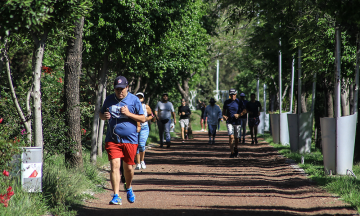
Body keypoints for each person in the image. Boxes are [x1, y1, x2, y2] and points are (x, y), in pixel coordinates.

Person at [99, 76, 145, 205]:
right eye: (117, 89)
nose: (119, 92)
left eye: (122, 89)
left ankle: (129, 187)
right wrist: (104, 116)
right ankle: (116, 195)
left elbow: (142, 119)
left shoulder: (134, 100)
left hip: (130, 140)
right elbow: (101, 114)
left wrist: (129, 114)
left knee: (129, 168)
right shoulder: (109, 100)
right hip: (112, 139)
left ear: (127, 88)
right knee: (115, 166)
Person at [222, 88, 246, 158]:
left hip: (237, 122)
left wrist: (239, 115)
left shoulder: (239, 102)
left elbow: (245, 110)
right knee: (231, 136)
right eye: (231, 95)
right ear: (229, 95)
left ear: (236, 94)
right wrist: (224, 116)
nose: (232, 96)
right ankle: (232, 152)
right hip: (229, 121)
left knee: (236, 137)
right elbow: (224, 111)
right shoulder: (226, 102)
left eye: (234, 95)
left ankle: (236, 148)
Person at [134, 92, 153, 170]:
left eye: (140, 97)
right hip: (134, 128)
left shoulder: (146, 107)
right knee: (136, 146)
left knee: (141, 145)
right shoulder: (132, 106)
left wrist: (146, 119)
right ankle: (138, 163)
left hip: (144, 128)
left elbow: (151, 115)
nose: (139, 99)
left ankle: (142, 161)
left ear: (143, 99)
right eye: (137, 97)